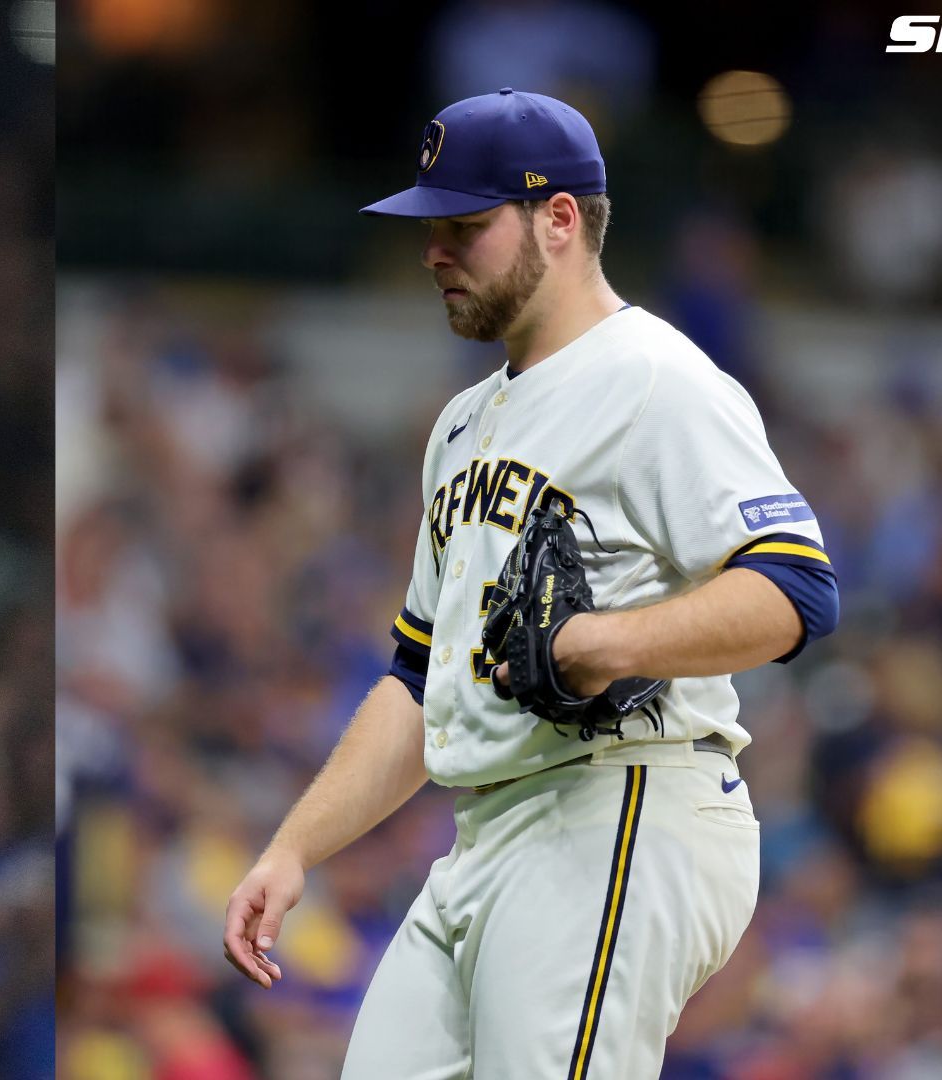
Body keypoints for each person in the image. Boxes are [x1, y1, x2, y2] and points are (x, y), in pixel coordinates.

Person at [221, 89, 838, 1077]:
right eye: (431, 227)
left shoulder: (655, 379)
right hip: (487, 832)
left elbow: (797, 592)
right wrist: (294, 848)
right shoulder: (462, 424)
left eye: (465, 225)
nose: (434, 251)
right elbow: (419, 679)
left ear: (558, 220)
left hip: (623, 806)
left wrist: (606, 642)